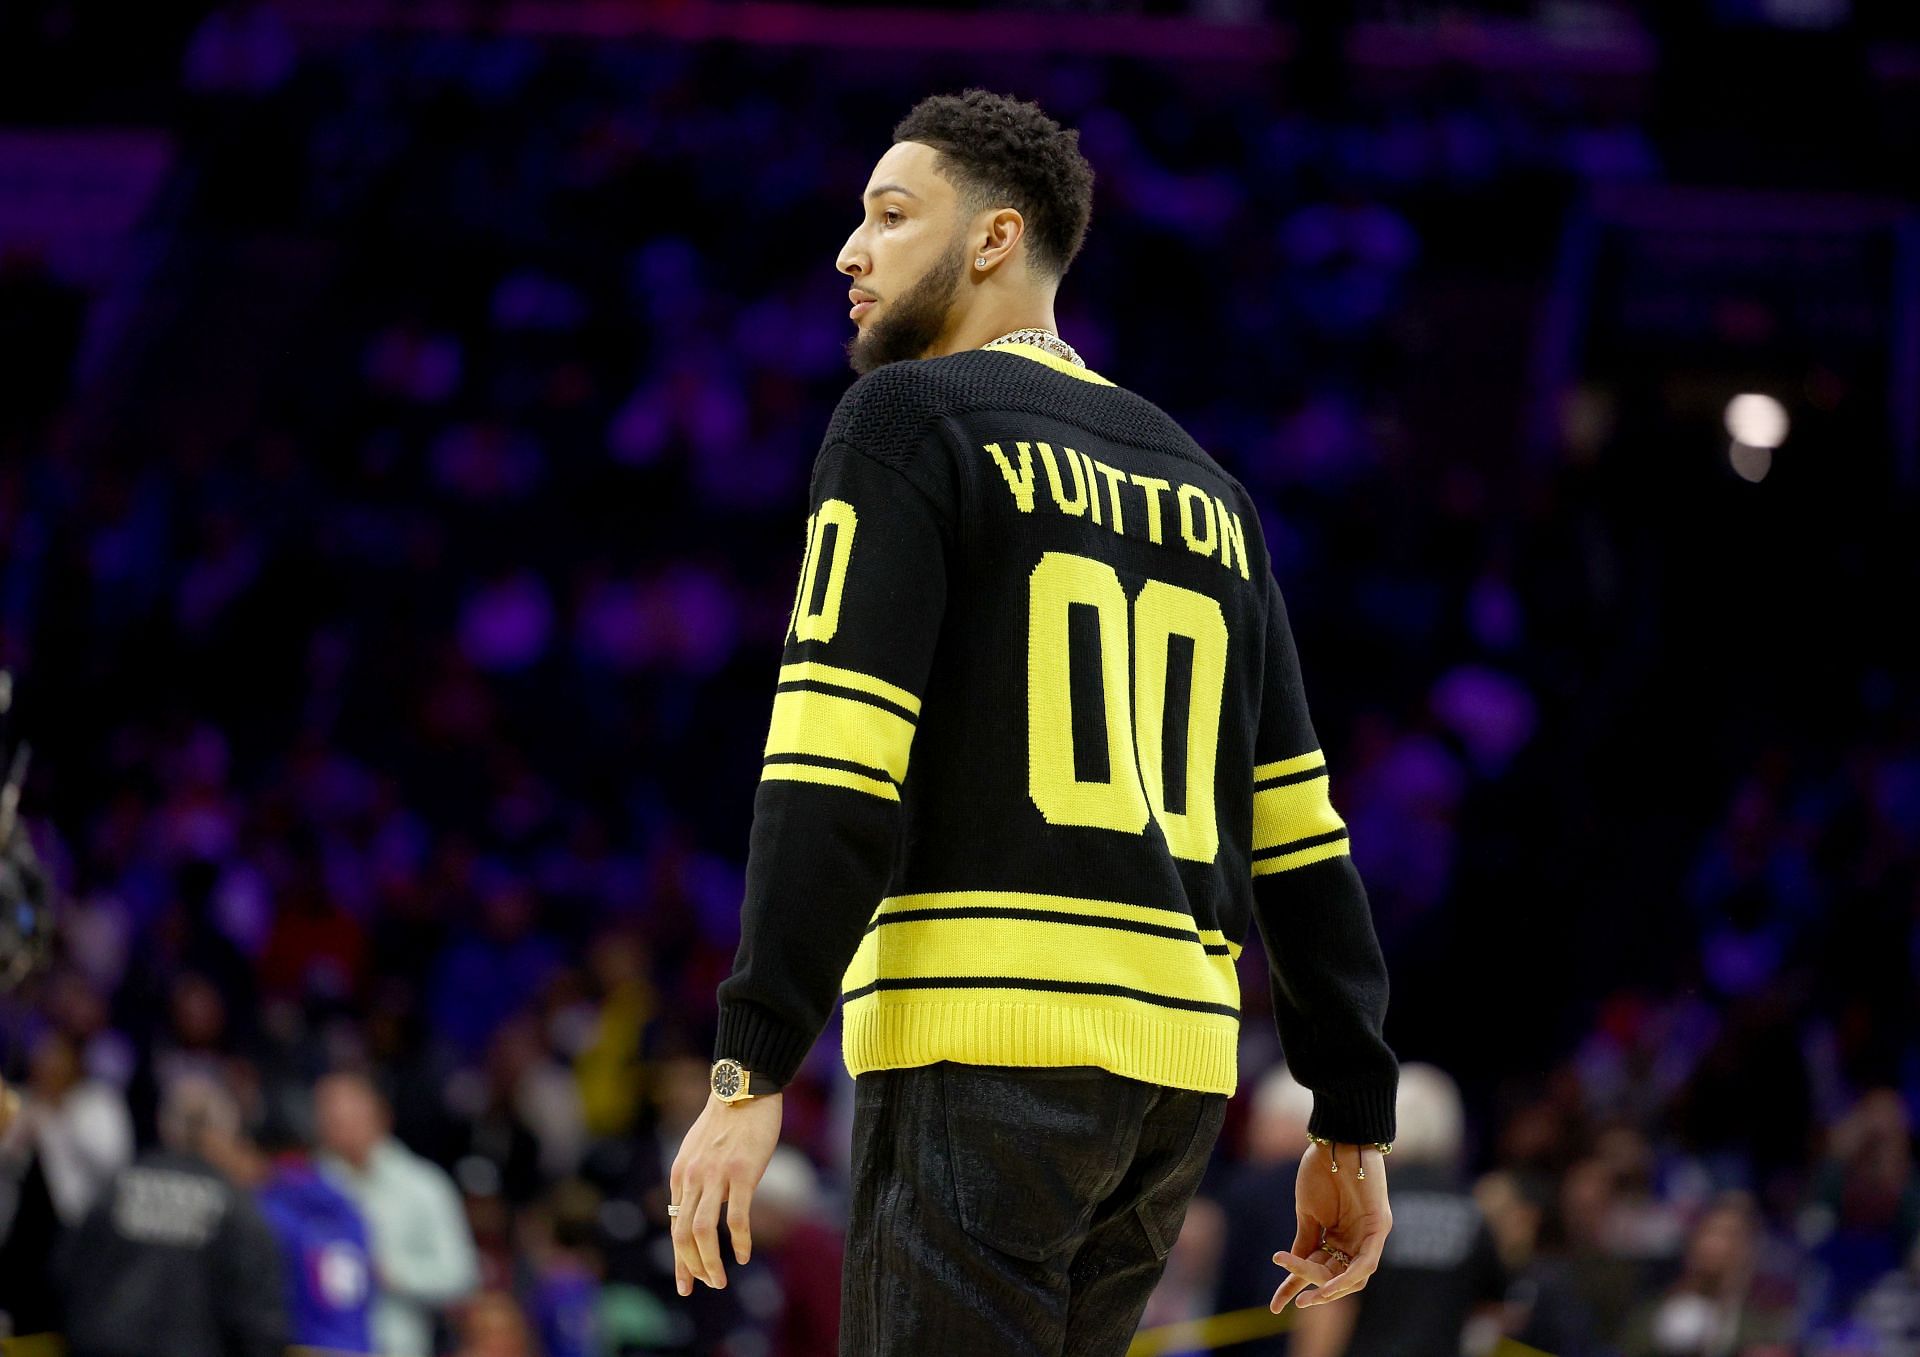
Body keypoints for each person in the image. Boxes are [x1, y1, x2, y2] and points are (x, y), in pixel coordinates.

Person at [668, 88, 1400, 1356]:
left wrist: (751, 1063)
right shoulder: (1207, 486)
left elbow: (834, 766)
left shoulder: (904, 418)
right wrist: (1350, 1115)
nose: (852, 251)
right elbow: (1299, 837)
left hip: (983, 1040)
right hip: (1173, 1078)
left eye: (892, 216)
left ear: (994, 240)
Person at [58, 1073, 289, 1357]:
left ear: (164, 1126)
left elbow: (62, 1281)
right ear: (227, 1131)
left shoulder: (113, 1190)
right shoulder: (237, 1208)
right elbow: (261, 1323)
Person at [315, 1070, 480, 1357]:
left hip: (398, 1345)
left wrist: (391, 1273)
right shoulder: (309, 1186)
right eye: (329, 1118)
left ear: (379, 1116)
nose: (339, 1127)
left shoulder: (423, 1185)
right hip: (325, 1344)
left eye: (348, 1116)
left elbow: (461, 1275)